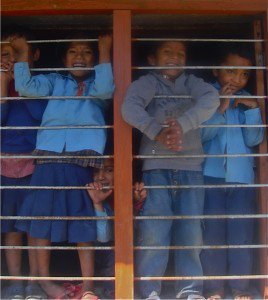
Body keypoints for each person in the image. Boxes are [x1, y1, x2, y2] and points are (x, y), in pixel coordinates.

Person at [10, 33, 114, 300]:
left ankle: (88, 284)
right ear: (63, 57)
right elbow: (27, 87)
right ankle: (44, 283)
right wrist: (23, 53)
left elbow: (105, 90)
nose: (79, 57)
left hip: (82, 161)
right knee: (40, 221)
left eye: (86, 52)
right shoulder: (55, 81)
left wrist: (104, 50)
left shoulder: (97, 83)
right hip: (49, 157)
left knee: (84, 223)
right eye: (73, 51)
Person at [121, 40, 219, 300]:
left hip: (192, 169)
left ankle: (189, 291)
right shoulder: (148, 83)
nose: (175, 57)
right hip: (156, 168)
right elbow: (128, 107)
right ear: (153, 59)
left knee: (191, 232)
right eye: (168, 52)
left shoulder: (193, 84)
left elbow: (212, 99)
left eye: (181, 53)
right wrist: (158, 132)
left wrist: (183, 124)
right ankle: (150, 290)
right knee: (155, 231)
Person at [201, 44, 264, 300]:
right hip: (210, 176)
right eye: (231, 71)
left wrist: (252, 110)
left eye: (244, 74)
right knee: (212, 234)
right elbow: (202, 135)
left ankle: (240, 288)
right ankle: (213, 288)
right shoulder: (206, 98)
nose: (237, 79)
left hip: (241, 178)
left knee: (241, 234)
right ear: (216, 71)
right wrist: (220, 108)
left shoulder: (247, 99)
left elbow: (255, 139)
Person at [1, 26, 47, 300]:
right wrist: (4, 84)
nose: (9, 60)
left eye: (16, 54)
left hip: (34, 164)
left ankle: (34, 283)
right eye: (5, 55)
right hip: (4, 166)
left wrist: (20, 79)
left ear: (34, 55)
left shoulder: (39, 84)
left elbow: (39, 114)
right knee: (10, 228)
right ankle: (16, 282)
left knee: (33, 227)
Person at [86, 157, 147, 299]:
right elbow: (103, 238)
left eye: (109, 170)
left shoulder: (129, 191)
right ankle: (113, 288)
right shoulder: (90, 194)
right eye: (96, 171)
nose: (101, 177)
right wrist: (97, 204)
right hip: (105, 253)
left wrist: (137, 202)